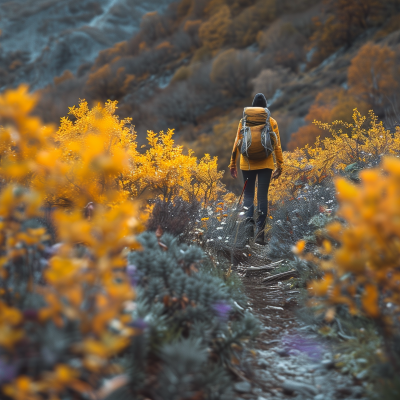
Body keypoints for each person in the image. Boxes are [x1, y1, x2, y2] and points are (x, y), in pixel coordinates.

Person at [229, 93, 283, 245]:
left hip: (247, 164)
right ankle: (260, 234)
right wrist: (280, 165)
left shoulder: (243, 121)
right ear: (265, 107)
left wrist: (232, 164)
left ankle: (247, 233)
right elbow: (277, 146)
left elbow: (237, 143)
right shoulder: (271, 121)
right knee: (262, 197)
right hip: (266, 164)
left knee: (248, 196)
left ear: (252, 107)